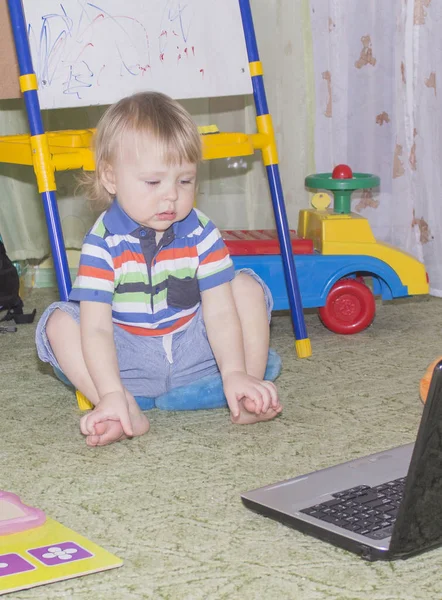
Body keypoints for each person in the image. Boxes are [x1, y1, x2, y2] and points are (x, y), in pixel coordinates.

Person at [35, 91, 282, 447]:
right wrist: (110, 387)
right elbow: (98, 331)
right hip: (127, 361)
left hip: (198, 353)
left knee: (245, 287)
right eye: (153, 182)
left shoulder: (201, 230)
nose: (171, 196)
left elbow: (222, 314)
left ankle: (244, 389)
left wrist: (232, 369)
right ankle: (119, 405)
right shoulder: (101, 242)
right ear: (110, 178)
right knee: (59, 322)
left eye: (184, 181)